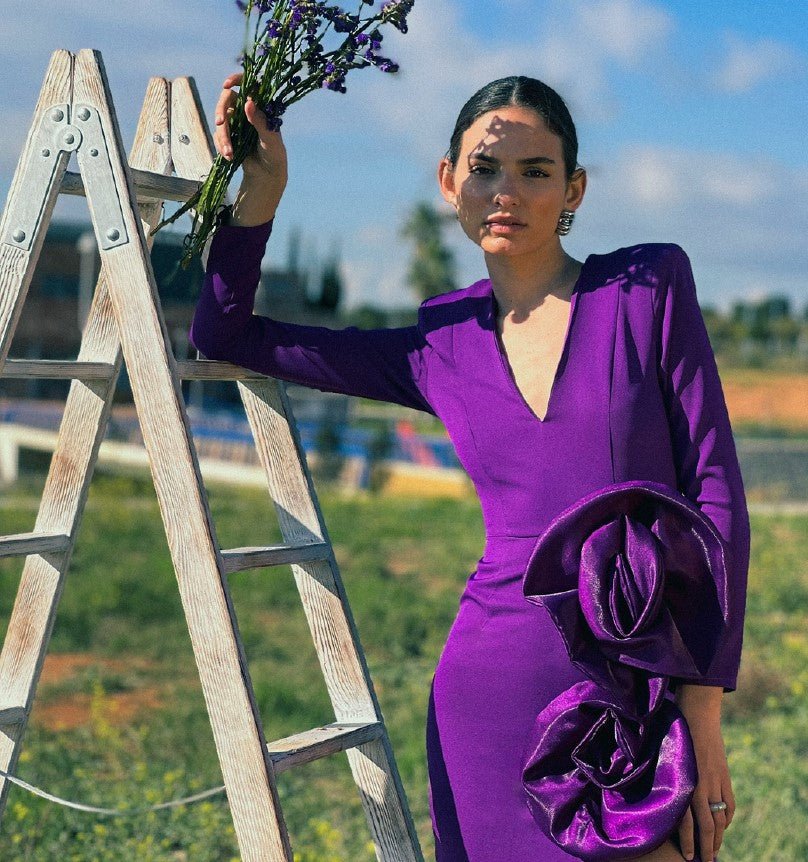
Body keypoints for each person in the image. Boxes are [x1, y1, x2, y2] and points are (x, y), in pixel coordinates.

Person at [190, 72, 751, 862]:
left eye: (535, 171)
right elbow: (225, 334)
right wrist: (264, 189)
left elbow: (717, 496)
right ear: (449, 181)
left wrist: (703, 709)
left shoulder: (647, 289)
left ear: (573, 189)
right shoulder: (438, 343)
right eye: (484, 168)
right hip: (487, 704)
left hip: (639, 690)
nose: (505, 192)